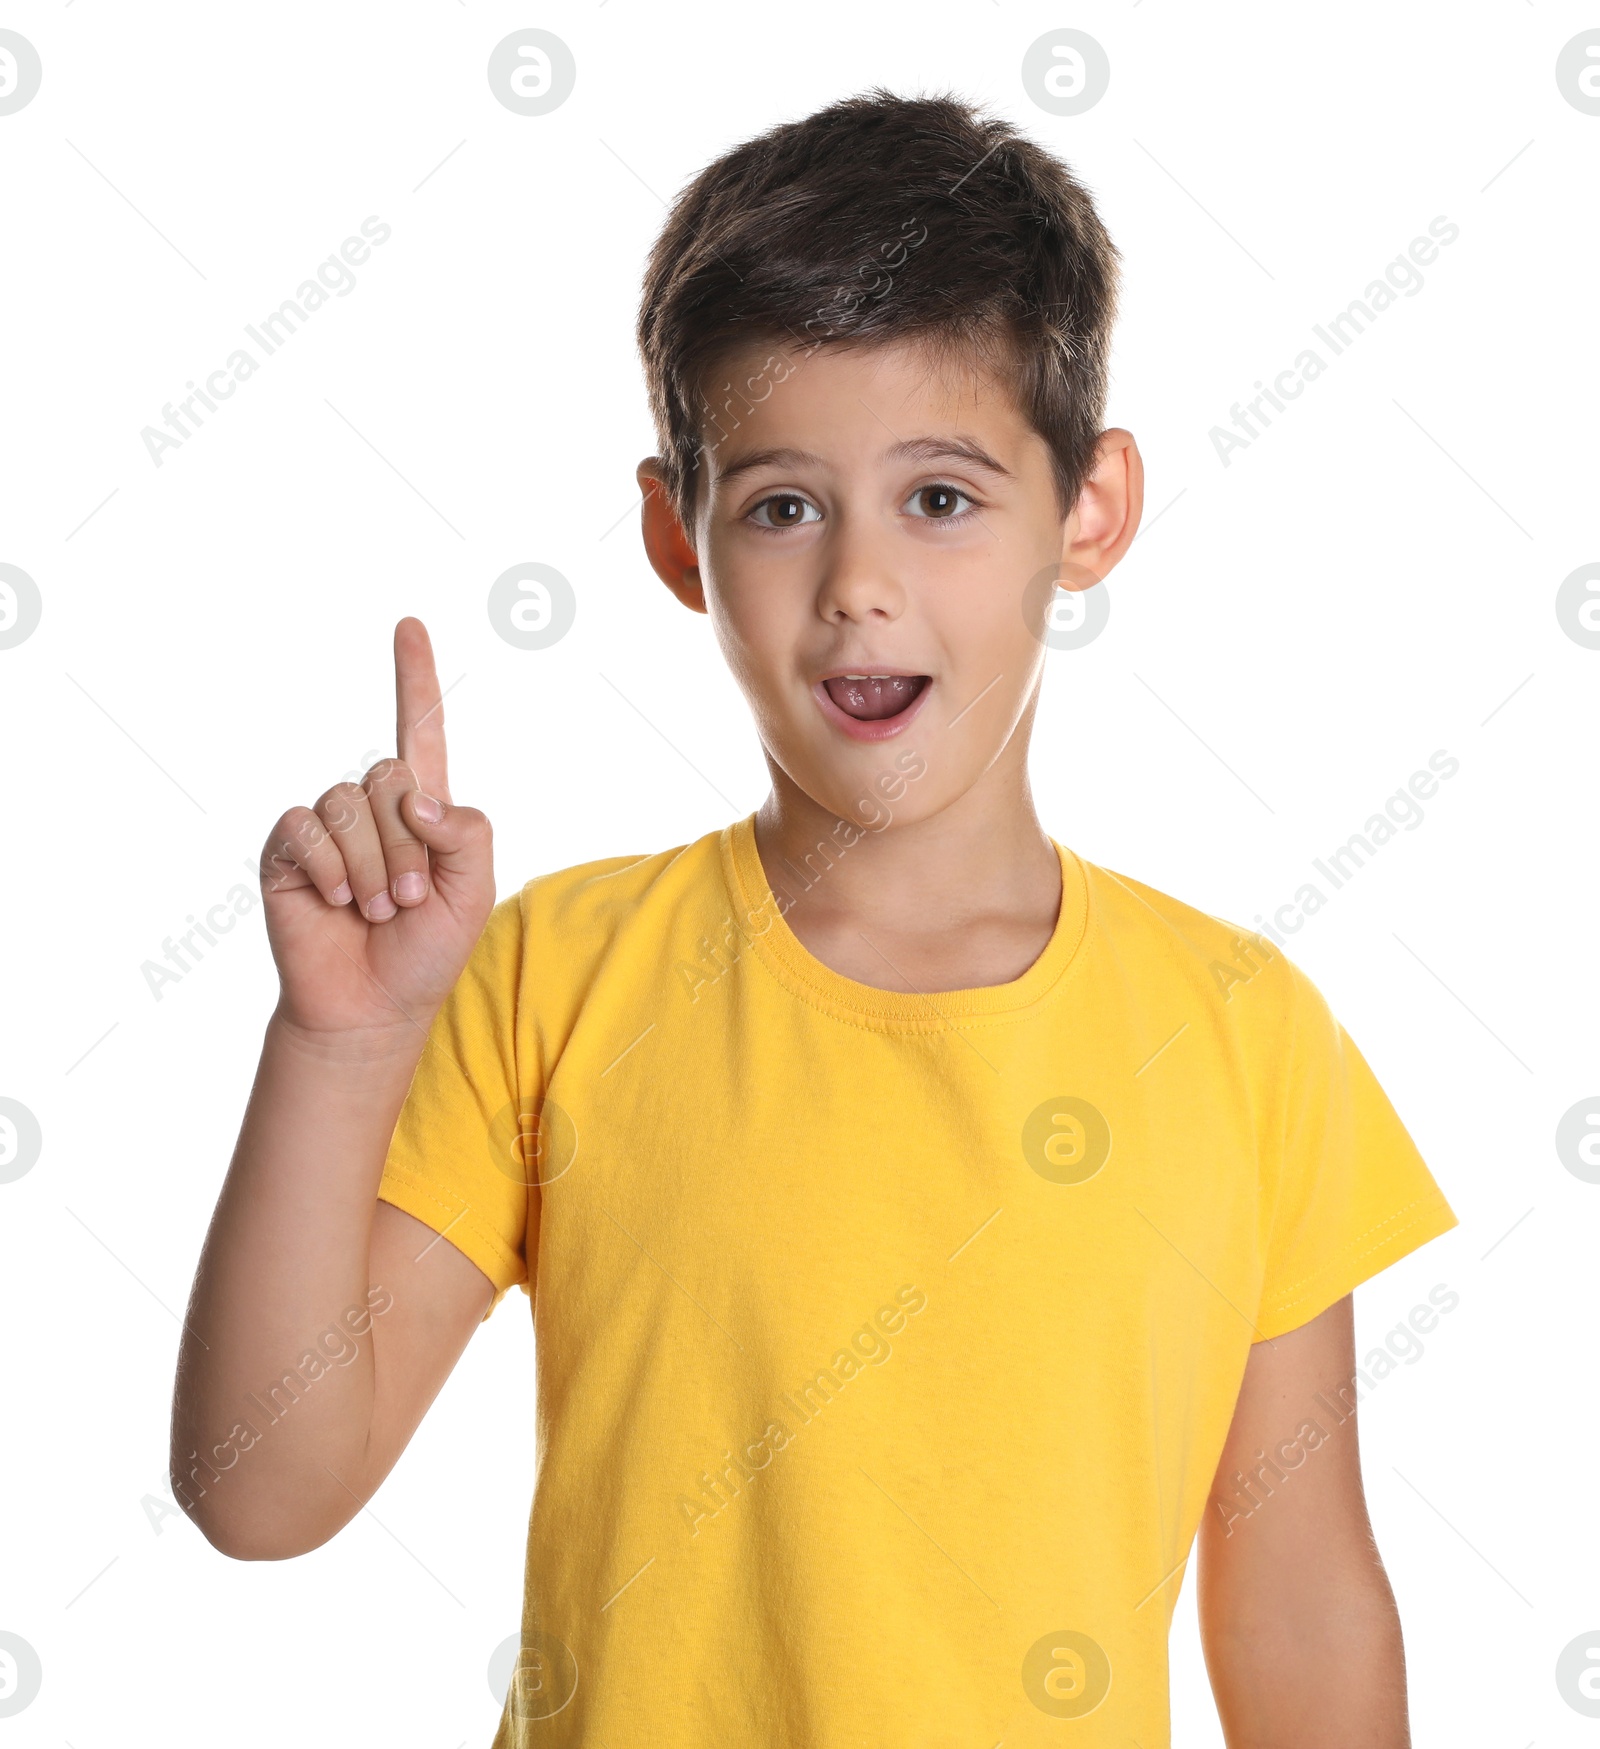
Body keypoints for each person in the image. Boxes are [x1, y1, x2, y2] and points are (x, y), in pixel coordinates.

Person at [170, 90, 1458, 1747]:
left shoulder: (1243, 1030)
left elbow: (1297, 1602)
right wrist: (339, 1045)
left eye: (940, 496)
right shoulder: (557, 977)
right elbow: (258, 1489)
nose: (859, 579)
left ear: (1091, 510)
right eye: (784, 503)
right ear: (674, 537)